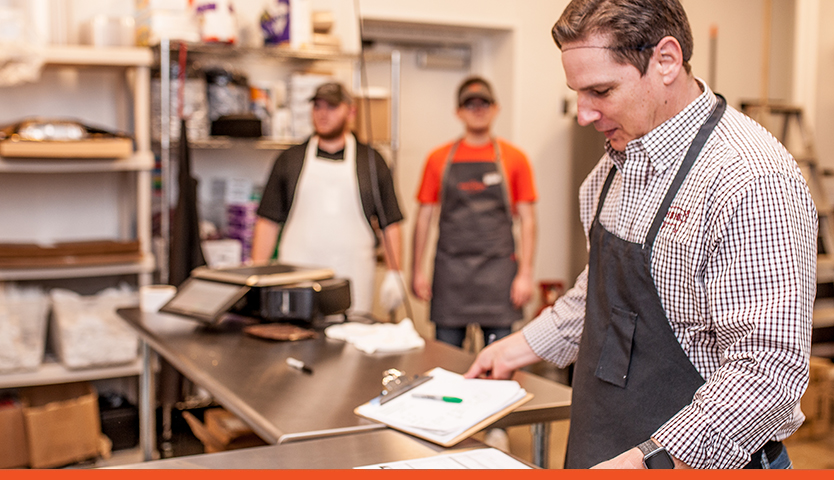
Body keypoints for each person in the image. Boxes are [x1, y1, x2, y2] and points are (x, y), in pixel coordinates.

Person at [466, 0, 816, 470]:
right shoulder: (613, 167)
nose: (584, 114)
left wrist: (650, 460)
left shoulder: (748, 178)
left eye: (601, 91)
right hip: (604, 442)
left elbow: (767, 370)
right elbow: (600, 299)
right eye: (577, 92)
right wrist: (516, 349)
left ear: (666, 61)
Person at [251, 81, 404, 315]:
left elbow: (390, 223)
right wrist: (257, 275)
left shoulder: (372, 162)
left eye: (332, 107)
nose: (323, 114)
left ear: (351, 111)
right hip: (297, 274)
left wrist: (395, 273)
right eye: (318, 107)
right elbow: (267, 222)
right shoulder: (289, 160)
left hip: (353, 276)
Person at [412, 76, 538, 348]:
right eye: (470, 105)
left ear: (496, 109)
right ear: (458, 112)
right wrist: (416, 271)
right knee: (447, 363)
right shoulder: (438, 158)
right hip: (450, 275)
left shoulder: (514, 159)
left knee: (499, 365)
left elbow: (528, 221)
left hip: (498, 275)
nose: (478, 110)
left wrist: (525, 274)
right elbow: (423, 218)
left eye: (484, 103)